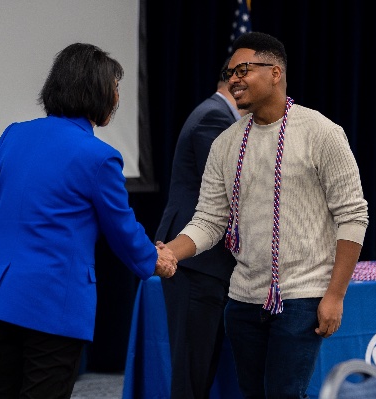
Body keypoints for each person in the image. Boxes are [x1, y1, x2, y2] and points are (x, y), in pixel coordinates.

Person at [0, 42, 177, 399]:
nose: (118, 98)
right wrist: (156, 261)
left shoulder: (13, 135)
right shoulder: (99, 156)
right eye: (115, 88)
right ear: (96, 91)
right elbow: (122, 229)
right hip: (52, 305)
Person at [162, 32, 369, 399]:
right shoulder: (226, 143)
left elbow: (352, 215)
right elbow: (209, 220)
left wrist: (335, 295)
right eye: (229, 73)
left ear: (275, 72)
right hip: (242, 301)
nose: (233, 80)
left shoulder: (321, 132)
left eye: (243, 69)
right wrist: (169, 253)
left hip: (301, 299)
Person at [155, 58, 248, 399]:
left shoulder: (218, 115)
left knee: (201, 367)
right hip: (196, 261)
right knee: (192, 373)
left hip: (205, 263)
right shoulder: (214, 117)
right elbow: (232, 190)